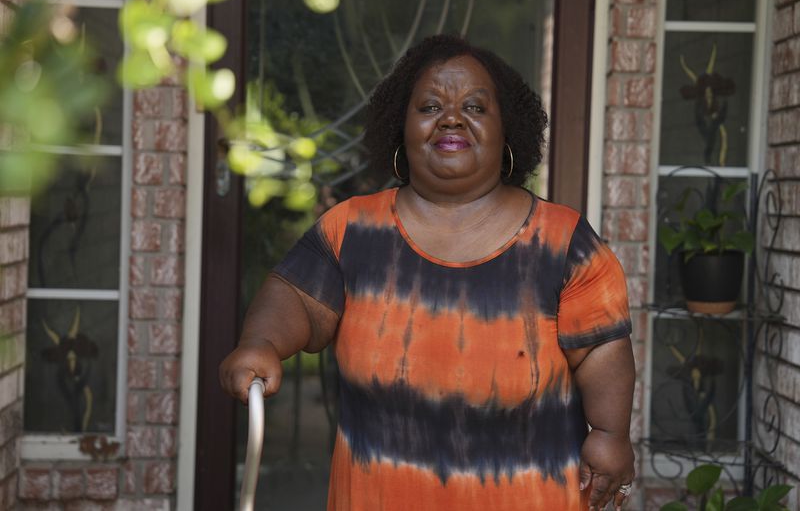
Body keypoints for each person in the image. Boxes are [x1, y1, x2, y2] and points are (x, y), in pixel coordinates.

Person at [220, 34, 635, 511]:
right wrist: (261, 343)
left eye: (476, 108)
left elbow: (603, 348)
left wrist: (609, 433)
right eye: (430, 106)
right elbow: (294, 297)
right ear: (402, 127)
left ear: (508, 133)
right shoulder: (351, 229)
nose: (452, 118)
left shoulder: (564, 243)